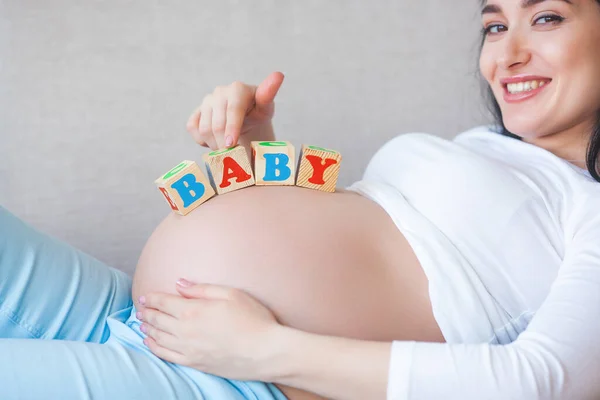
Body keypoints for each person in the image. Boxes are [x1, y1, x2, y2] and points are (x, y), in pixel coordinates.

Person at [1, 1, 599, 400]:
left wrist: (263, 349)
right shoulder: (483, 147)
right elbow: (362, 252)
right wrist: (257, 149)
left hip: (231, 381)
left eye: (546, 18)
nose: (507, 53)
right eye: (495, 25)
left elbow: (535, 381)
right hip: (147, 315)